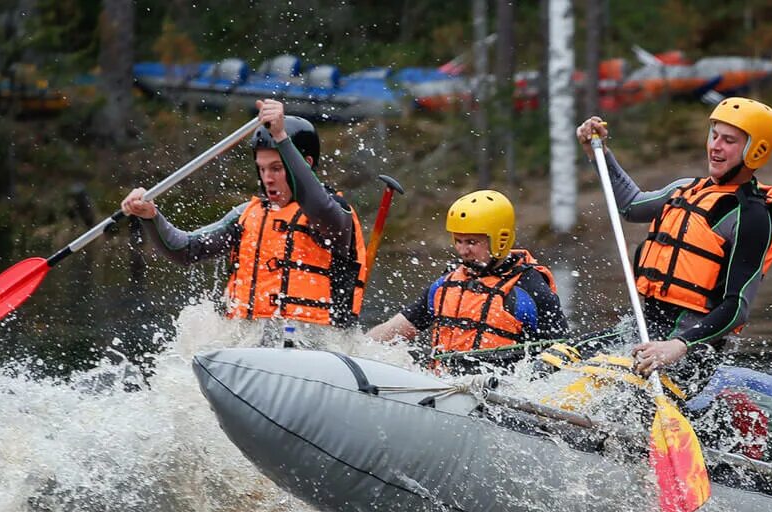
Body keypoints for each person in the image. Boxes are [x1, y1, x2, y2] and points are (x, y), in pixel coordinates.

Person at [574, 97, 772, 382]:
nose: (715, 146)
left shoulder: (752, 216)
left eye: (729, 141)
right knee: (561, 357)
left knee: (595, 384)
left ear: (756, 150)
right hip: (643, 329)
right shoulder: (684, 189)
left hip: (690, 351)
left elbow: (737, 307)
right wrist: (597, 152)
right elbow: (630, 206)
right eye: (714, 136)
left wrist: (679, 345)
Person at [120, 99, 367, 338]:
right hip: (253, 340)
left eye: (277, 168)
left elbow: (316, 202)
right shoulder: (245, 215)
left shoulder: (335, 214)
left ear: (306, 163)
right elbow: (185, 249)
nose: (267, 178)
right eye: (262, 168)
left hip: (320, 343)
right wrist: (150, 216)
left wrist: (281, 138)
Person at [366, 189, 568, 365]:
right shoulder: (447, 283)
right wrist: (357, 348)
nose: (463, 251)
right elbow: (397, 329)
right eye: (458, 241)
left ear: (499, 239)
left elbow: (560, 353)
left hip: (496, 397)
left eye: (471, 242)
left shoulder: (530, 288)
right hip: (441, 390)